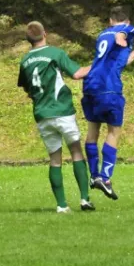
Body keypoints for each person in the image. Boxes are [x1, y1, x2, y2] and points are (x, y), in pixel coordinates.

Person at [17, 21, 94, 214]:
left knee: (55, 159)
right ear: (46, 34)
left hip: (42, 114)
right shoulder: (55, 53)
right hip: (61, 110)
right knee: (76, 151)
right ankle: (84, 199)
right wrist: (100, 64)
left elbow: (27, 88)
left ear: (28, 39)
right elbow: (77, 74)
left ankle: (61, 205)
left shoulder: (24, 60)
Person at [82, 5, 134, 200]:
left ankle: (94, 175)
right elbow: (125, 31)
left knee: (92, 130)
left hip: (91, 86)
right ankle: (105, 178)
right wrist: (122, 35)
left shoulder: (102, 34)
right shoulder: (125, 29)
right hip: (110, 88)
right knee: (114, 131)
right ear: (125, 21)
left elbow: (119, 61)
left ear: (109, 20)